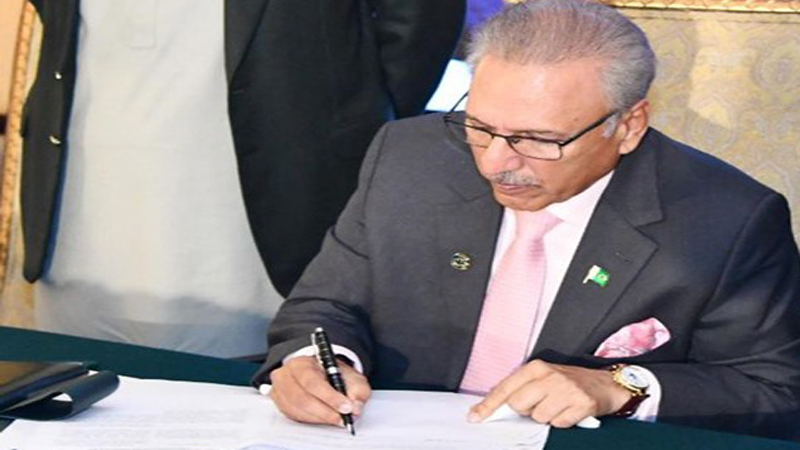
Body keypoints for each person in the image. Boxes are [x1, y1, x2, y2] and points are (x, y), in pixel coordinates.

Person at [257, 0, 800, 439]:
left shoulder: (726, 220)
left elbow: (776, 391)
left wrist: (624, 386)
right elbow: (326, 306)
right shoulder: (408, 157)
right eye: (479, 126)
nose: (496, 163)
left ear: (628, 125)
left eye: (539, 140)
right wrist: (314, 362)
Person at [19, 0, 464, 357]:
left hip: (268, 192)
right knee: (77, 381)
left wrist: (353, 117)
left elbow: (419, 21)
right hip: (79, 189)